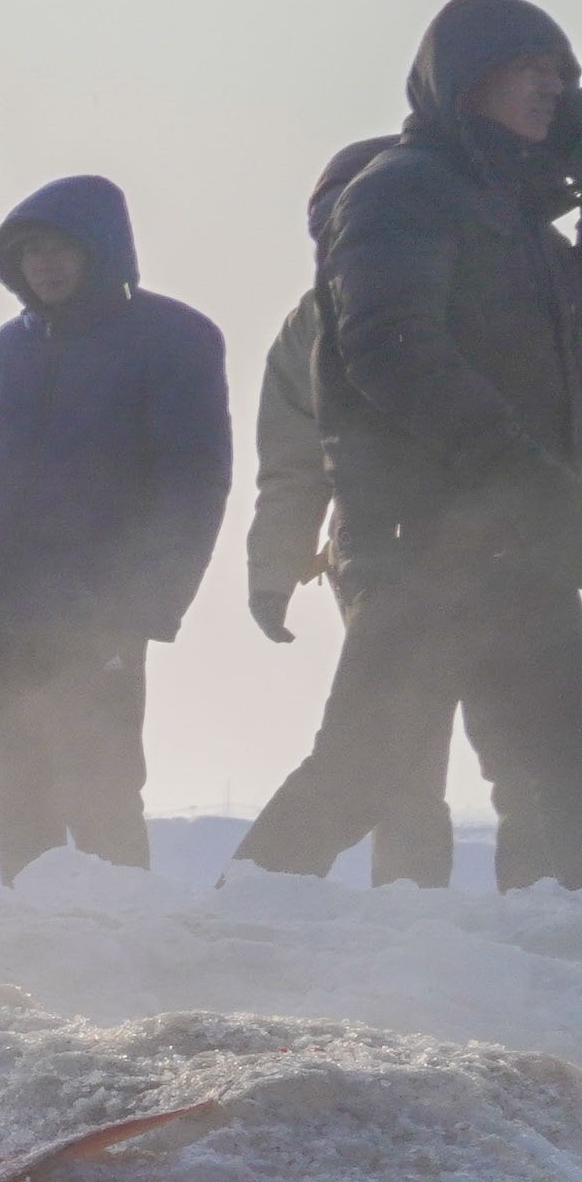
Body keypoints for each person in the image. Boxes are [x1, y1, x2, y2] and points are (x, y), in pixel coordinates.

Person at [295, 0, 582, 887]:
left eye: (559, 72)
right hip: (431, 534)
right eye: (525, 66)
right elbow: (391, 345)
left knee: (559, 769)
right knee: (364, 769)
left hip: (524, 537)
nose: (549, 85)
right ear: (464, 80)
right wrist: (514, 467)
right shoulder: (406, 189)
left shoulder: (531, 230)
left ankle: (550, 968)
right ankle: (222, 938)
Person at [0, 177, 229, 878]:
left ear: (103, 251)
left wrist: (142, 608)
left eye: (62, 249)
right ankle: (38, 962)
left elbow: (194, 487)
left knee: (103, 800)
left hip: (97, 612)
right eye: (31, 252)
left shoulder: (174, 339)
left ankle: (126, 964)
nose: (44, 265)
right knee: (19, 807)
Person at [227, 263, 445, 884]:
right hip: (391, 552)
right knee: (396, 754)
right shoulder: (317, 320)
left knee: (524, 766)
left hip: (451, 546)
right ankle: (418, 923)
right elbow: (297, 456)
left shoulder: (512, 276)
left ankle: (500, 933)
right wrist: (272, 567)